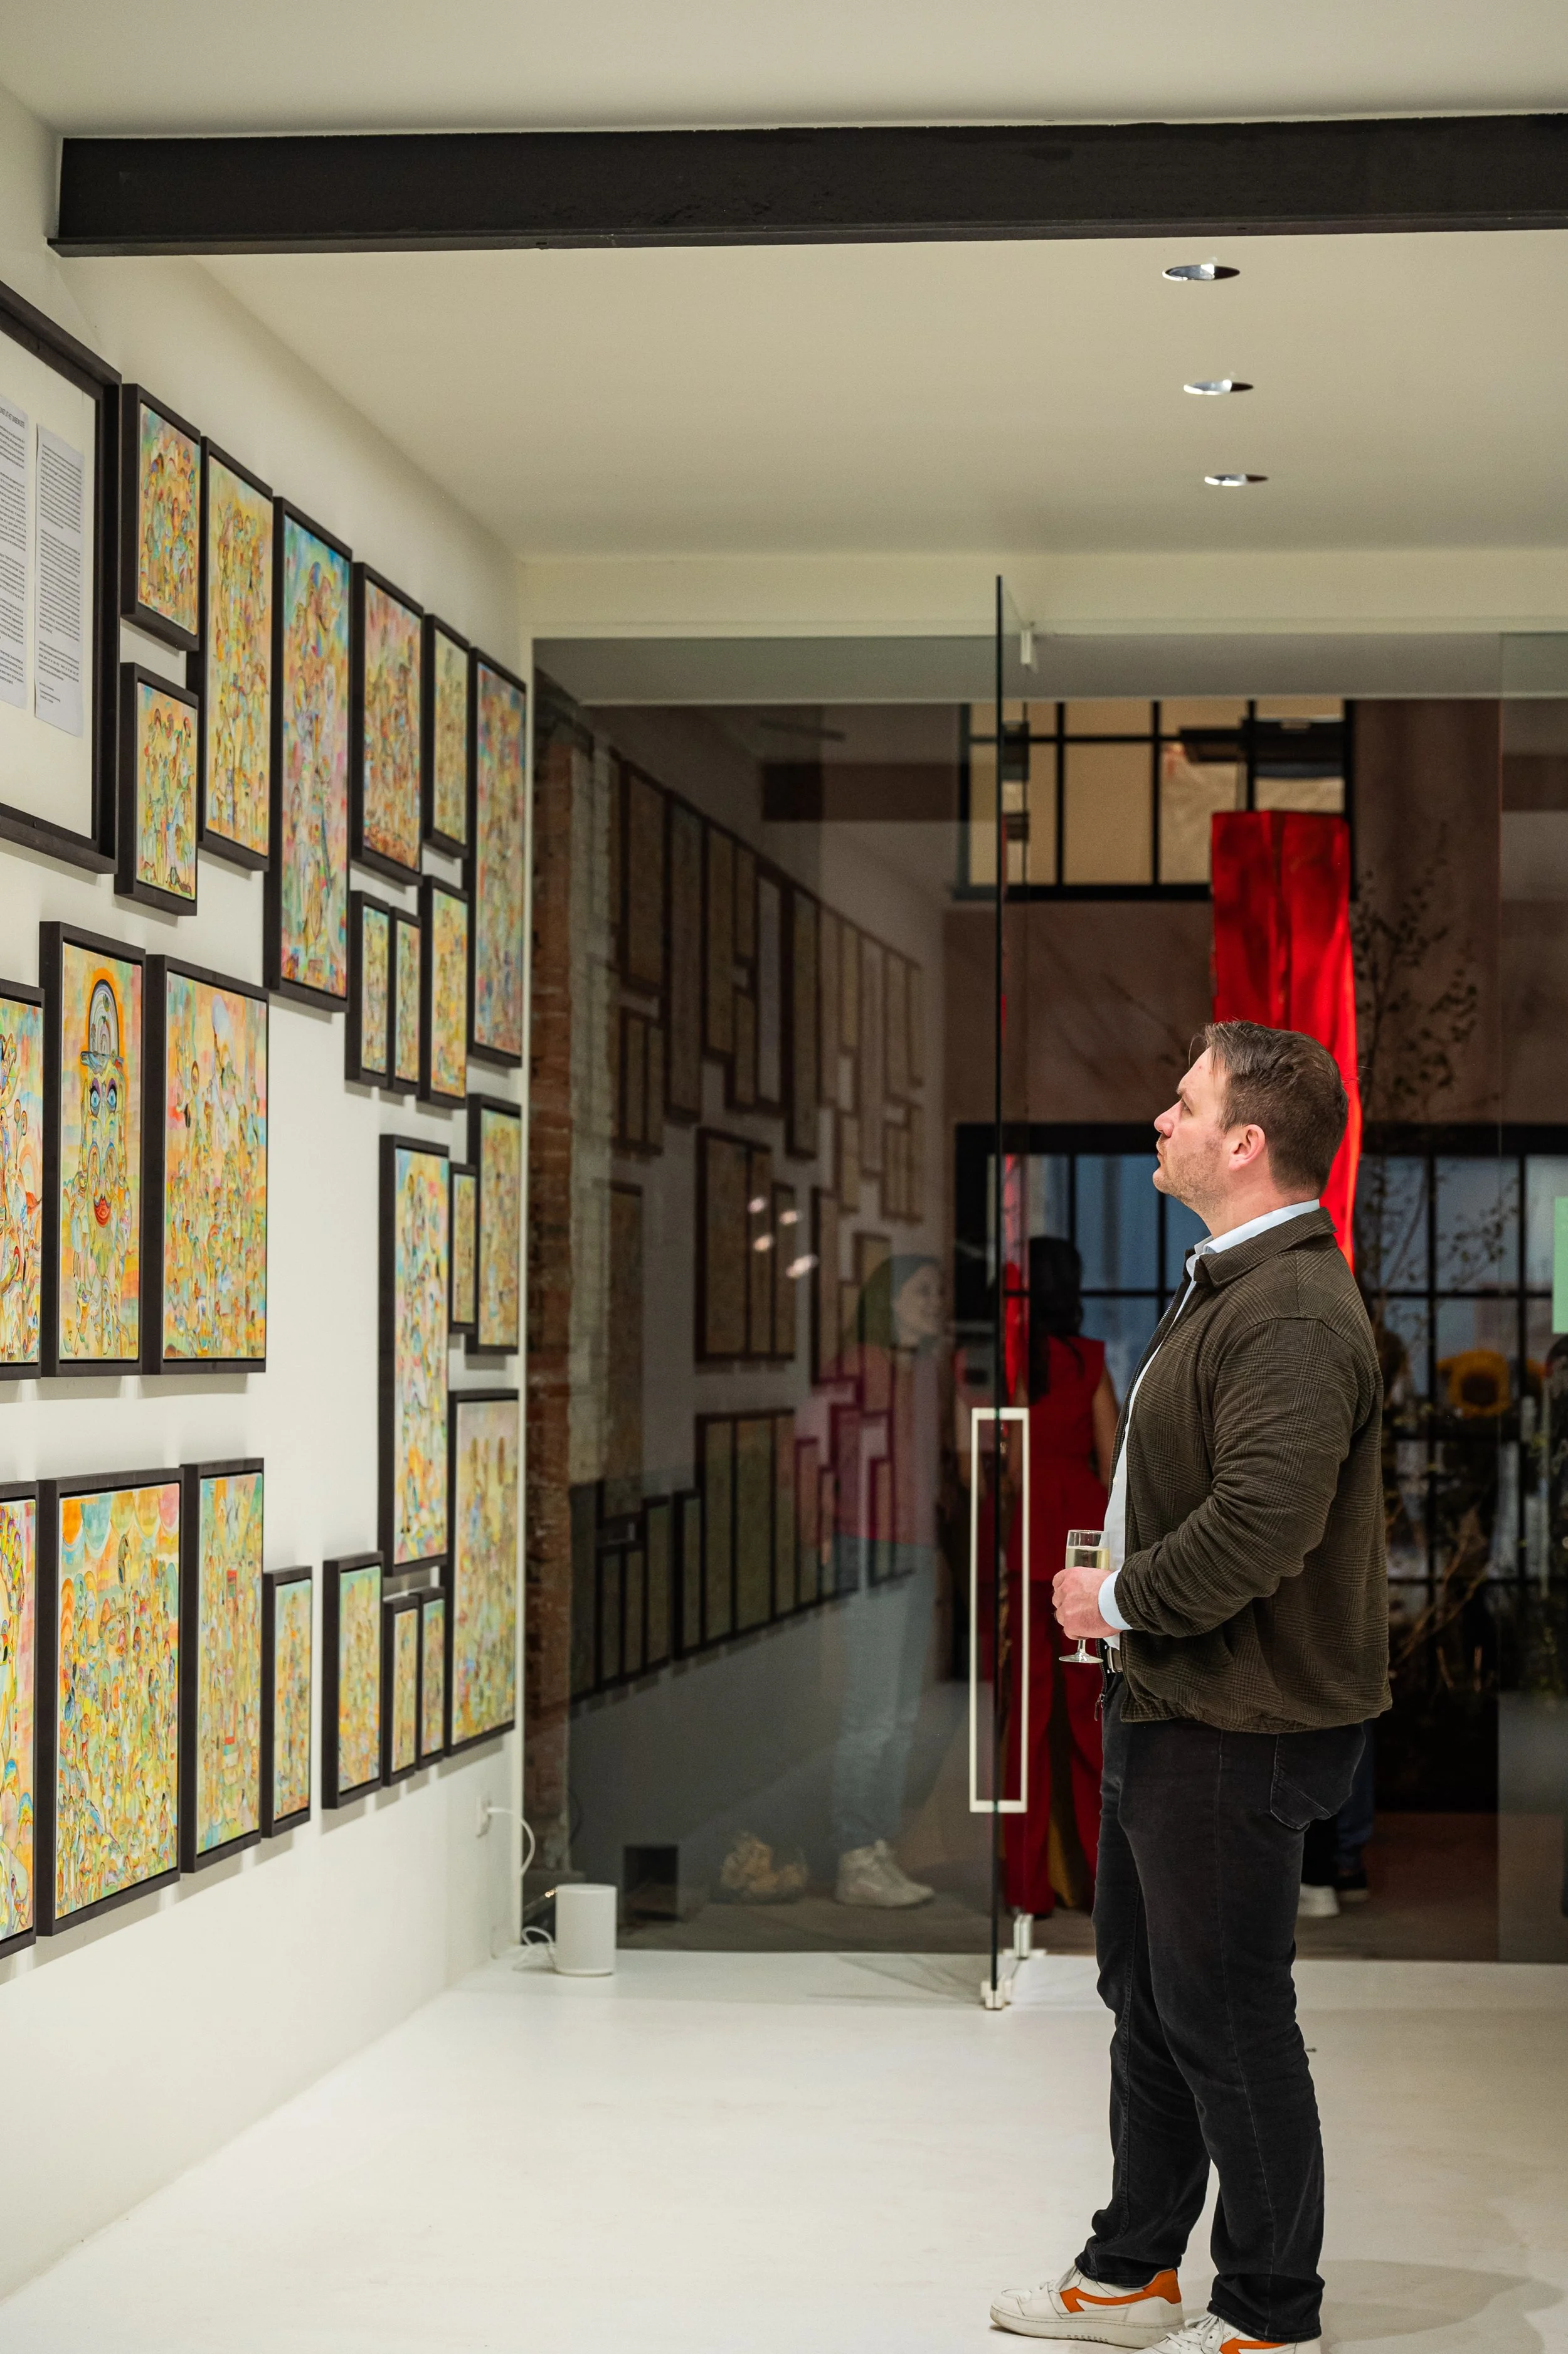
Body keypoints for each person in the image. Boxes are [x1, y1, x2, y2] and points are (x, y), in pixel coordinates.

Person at [991, 1021, 1388, 2354]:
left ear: (1244, 1141)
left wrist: (1114, 1599)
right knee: (1150, 1998)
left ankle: (1272, 2313)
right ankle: (1128, 2272)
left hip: (1240, 1720)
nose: (1156, 1121)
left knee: (1224, 2014)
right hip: (1181, 1703)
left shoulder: (1287, 1307)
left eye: (1180, 1103)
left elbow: (1257, 1527)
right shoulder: (1230, 1283)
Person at [978, 1238, 1118, 1916]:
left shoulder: (1011, 1369)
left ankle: (1027, 1891)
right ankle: (1102, 1882)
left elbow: (1004, 1472)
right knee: (1091, 1718)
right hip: (1083, 1546)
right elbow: (1110, 1459)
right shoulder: (1089, 1360)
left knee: (1025, 1727)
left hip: (1024, 1543)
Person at [829, 1254, 948, 1909]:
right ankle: (854, 1852)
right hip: (867, 1546)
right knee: (870, 1715)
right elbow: (816, 1454)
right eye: (923, 1291)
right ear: (891, 1299)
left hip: (914, 1548)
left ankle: (877, 1847)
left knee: (901, 1714)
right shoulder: (857, 1365)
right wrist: (823, 1535)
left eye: (938, 1292)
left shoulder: (927, 1371)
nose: (935, 1302)